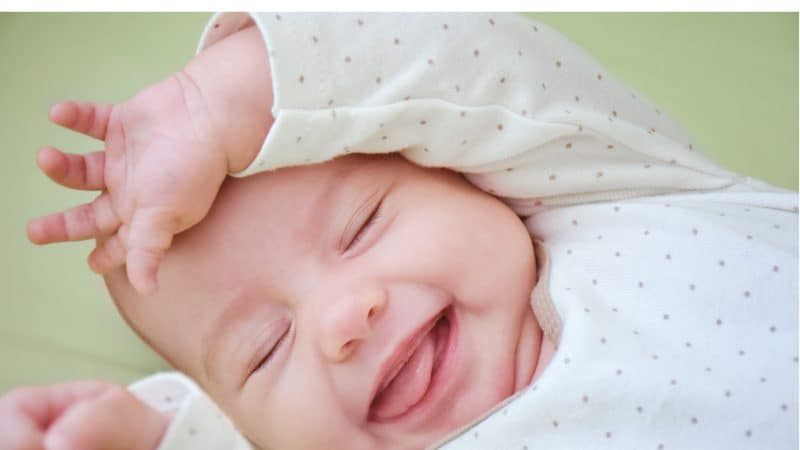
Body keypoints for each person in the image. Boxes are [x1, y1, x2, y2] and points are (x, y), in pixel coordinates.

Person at [1, 12, 796, 450]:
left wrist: (216, 105)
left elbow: (468, 63)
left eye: (362, 226)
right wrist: (153, 440)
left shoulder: (615, 190)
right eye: (265, 349)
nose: (343, 320)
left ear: (467, 168)